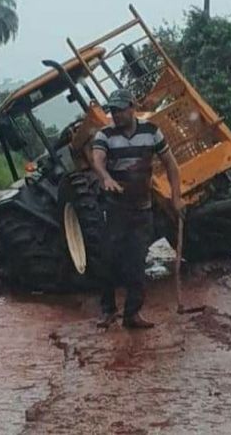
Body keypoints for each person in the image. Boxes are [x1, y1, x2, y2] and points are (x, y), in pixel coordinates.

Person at [91, 89, 184, 329]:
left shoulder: (151, 132)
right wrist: (105, 177)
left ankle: (132, 313)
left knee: (136, 261)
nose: (116, 115)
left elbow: (171, 165)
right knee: (108, 260)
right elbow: (97, 159)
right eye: (112, 111)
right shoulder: (105, 135)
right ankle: (108, 310)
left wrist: (176, 197)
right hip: (115, 209)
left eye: (120, 110)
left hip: (142, 208)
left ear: (132, 107)